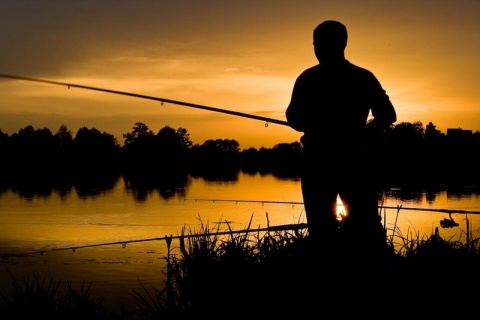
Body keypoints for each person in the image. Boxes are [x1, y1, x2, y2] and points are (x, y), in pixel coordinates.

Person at [285, 20, 397, 260]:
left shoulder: (307, 78)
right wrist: (361, 134)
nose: (316, 48)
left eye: (318, 43)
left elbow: (294, 119)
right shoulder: (363, 77)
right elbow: (387, 115)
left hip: (320, 161)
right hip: (353, 158)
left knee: (322, 228)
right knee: (363, 225)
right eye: (315, 43)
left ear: (339, 44)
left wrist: (317, 125)